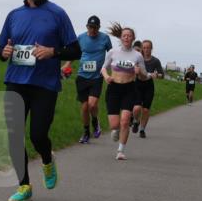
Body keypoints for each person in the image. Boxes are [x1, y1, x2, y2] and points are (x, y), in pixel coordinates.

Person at [0, 0, 80, 201]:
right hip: (15, 82)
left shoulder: (57, 14)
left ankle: (46, 159)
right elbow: (1, 49)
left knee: (37, 135)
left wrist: (53, 51)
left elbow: (75, 50)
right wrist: (4, 52)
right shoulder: (14, 15)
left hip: (44, 84)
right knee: (14, 136)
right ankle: (24, 185)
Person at [101, 23, 152, 161]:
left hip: (129, 89)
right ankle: (115, 130)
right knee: (114, 124)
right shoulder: (112, 52)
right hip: (114, 89)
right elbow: (103, 68)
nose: (127, 38)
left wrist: (140, 71)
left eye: (129, 36)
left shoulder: (137, 56)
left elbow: (144, 76)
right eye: (124, 35)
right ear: (121, 38)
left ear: (133, 38)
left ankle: (121, 150)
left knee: (124, 121)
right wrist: (107, 77)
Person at [65, 15, 113, 144]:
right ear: (87, 27)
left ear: (99, 28)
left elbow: (112, 54)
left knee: (92, 104)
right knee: (85, 107)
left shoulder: (105, 38)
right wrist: (68, 64)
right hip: (82, 76)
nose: (92, 30)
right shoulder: (80, 38)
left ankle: (95, 121)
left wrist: (111, 70)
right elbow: (75, 53)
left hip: (97, 76)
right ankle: (86, 132)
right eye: (90, 27)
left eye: (95, 28)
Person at [135, 39, 164, 138]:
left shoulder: (155, 61)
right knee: (137, 108)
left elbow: (161, 75)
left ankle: (142, 130)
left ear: (151, 49)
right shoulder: (138, 58)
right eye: (144, 48)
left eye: (148, 48)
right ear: (142, 49)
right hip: (138, 85)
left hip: (148, 86)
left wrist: (157, 75)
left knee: (146, 110)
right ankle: (135, 121)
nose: (146, 50)